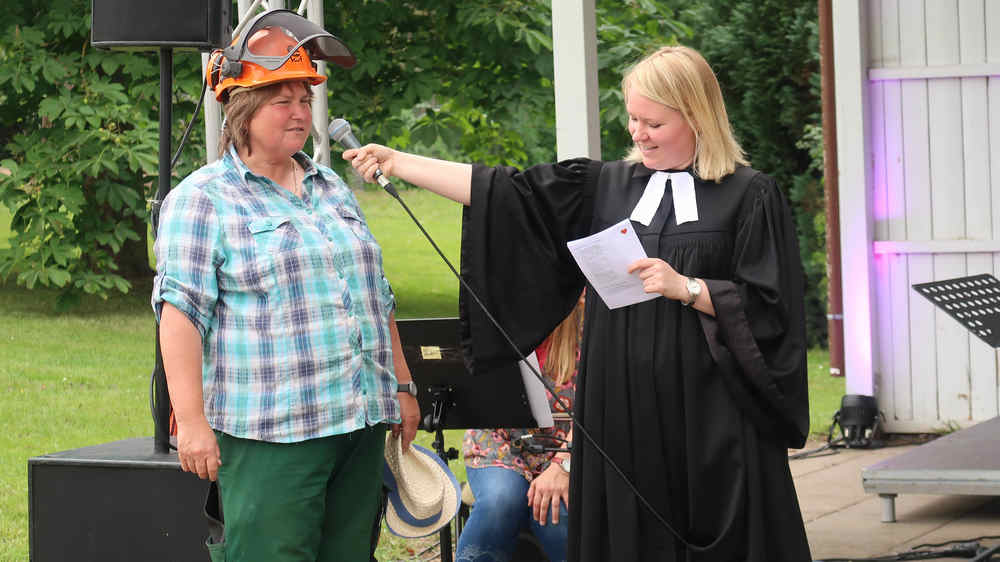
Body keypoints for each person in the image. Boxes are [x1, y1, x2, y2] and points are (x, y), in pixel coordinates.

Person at [344, 45, 811, 561]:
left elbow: (771, 312)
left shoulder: (750, 196)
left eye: (652, 122)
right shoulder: (604, 186)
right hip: (621, 417)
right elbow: (504, 191)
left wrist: (691, 289)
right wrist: (400, 162)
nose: (637, 133)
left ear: (696, 115)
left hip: (711, 422)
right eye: (633, 118)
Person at [151, 14, 419, 562]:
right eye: (283, 101)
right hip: (273, 433)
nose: (301, 113)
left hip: (359, 420)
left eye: (305, 99)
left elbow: (376, 294)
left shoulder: (331, 186)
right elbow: (179, 312)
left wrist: (403, 385)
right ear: (241, 110)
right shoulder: (202, 198)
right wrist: (194, 421)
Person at [457, 292, 583, 562]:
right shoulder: (499, 316)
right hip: (500, 443)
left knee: (555, 514)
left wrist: (564, 466)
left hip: (567, 452)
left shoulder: (592, 323)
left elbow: (600, 405)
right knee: (500, 502)